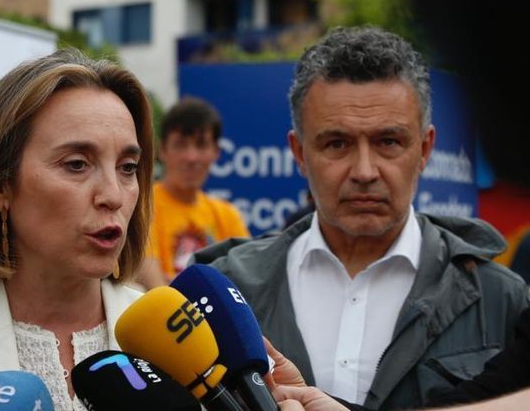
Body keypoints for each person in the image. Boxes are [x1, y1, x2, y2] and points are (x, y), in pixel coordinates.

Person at [197, 26, 529, 410]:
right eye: (337, 144)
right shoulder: (226, 292)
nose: (365, 171)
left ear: (424, 149)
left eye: (388, 142)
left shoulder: (500, 297)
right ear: (300, 153)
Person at [0, 49, 154, 411]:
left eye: (128, 167)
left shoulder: (177, 346)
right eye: (76, 165)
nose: (113, 196)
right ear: (0, 186)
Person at [138, 96, 250, 288]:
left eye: (201, 144)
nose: (191, 157)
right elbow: (153, 287)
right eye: (180, 144)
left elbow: (249, 286)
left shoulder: (227, 215)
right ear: (162, 150)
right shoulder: (141, 206)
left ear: (216, 152)